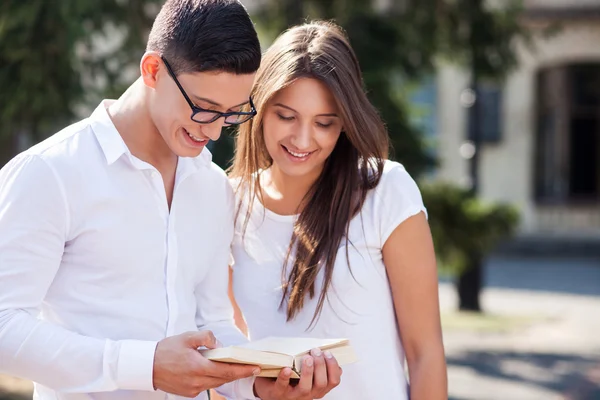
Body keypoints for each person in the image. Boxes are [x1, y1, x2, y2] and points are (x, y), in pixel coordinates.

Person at [0, 1, 340, 399]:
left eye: (232, 114)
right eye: (204, 109)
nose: (214, 133)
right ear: (153, 70)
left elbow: (212, 321)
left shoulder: (211, 186)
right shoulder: (51, 172)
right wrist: (145, 367)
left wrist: (258, 386)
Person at [228, 21, 448, 400]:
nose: (302, 139)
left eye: (324, 123)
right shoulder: (228, 204)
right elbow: (224, 366)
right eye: (286, 116)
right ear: (260, 108)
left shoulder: (385, 192)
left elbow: (425, 353)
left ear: (344, 124)